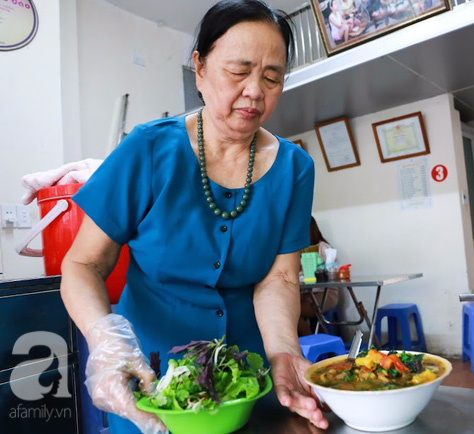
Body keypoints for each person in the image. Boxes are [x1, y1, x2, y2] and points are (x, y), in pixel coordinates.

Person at [60, 1, 328, 432]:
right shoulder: (148, 149)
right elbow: (83, 264)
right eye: (239, 72)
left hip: (250, 383)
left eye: (272, 77)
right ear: (199, 68)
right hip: (153, 382)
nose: (256, 90)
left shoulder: (296, 168)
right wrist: (104, 341)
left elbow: (278, 279)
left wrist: (283, 352)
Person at [298, 217, 341, 336]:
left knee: (291, 314)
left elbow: (329, 273)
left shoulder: (323, 248)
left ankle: (310, 342)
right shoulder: (298, 251)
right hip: (305, 295)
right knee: (286, 310)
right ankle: (306, 342)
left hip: (326, 294)